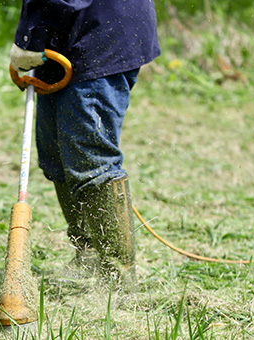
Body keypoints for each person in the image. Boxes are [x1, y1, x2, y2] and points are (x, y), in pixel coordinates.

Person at [9, 0, 161, 286]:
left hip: (99, 34)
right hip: (68, 34)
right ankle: (88, 256)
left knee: (90, 158)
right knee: (55, 153)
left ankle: (117, 277)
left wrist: (31, 37)